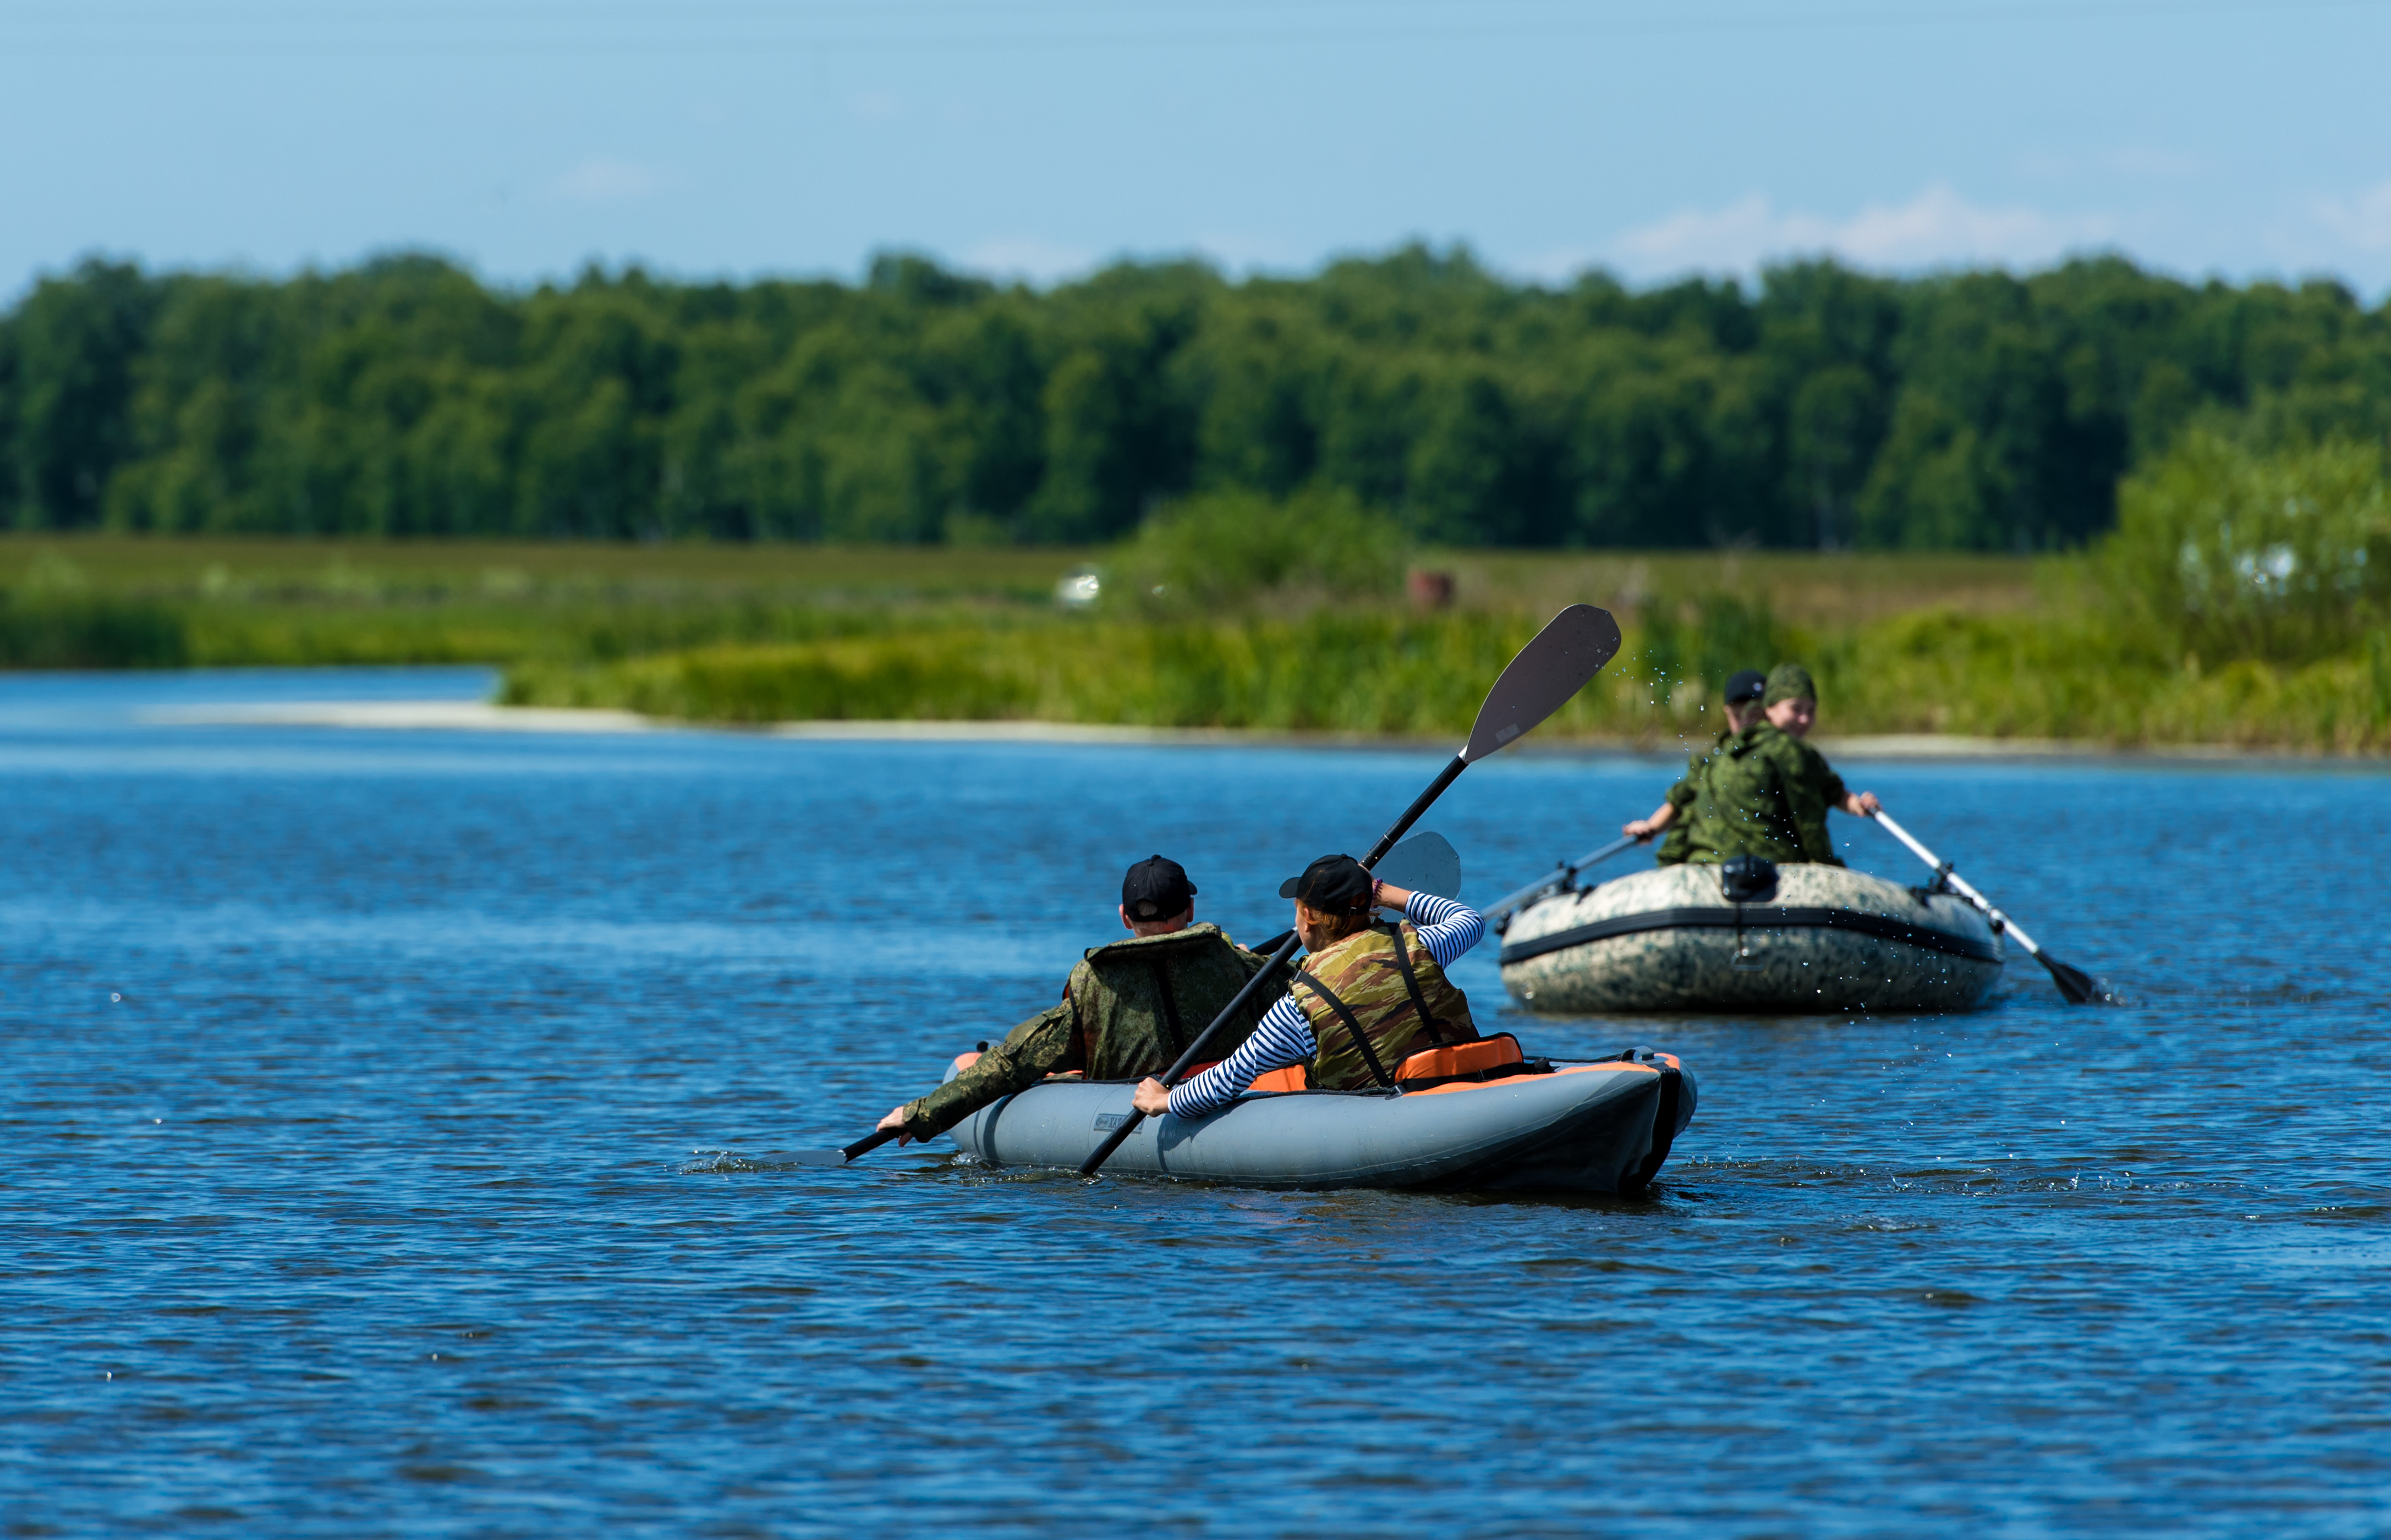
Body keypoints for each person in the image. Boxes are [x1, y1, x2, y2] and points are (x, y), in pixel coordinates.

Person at [876, 855, 1274, 1143]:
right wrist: (1250, 961)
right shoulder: (1238, 966)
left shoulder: (1094, 983)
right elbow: (1310, 993)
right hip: (1227, 1098)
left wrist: (920, 1114)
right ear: (1190, 908)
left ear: (1124, 917)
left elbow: (1013, 1062)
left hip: (1133, 1103)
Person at [1131, 854, 1485, 1121]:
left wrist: (1163, 1101)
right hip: (1462, 1089)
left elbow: (1230, 1077)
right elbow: (1470, 921)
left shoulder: (1300, 1004)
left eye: (1297, 910)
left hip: (1390, 1116)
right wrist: (1383, 892)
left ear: (1309, 918)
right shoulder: (1420, 945)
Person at [1677, 662, 1881, 867]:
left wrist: (1858, 805)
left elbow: (1831, 791)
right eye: (1795, 709)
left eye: (1811, 711)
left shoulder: (1725, 749)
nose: (1804, 719)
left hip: (1708, 863)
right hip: (1766, 866)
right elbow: (1809, 821)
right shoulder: (1786, 750)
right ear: (1769, 710)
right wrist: (1827, 864)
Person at [1622, 668, 1769, 865]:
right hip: (1713, 859)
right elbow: (1680, 801)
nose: (1748, 722)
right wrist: (1650, 828)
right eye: (1738, 715)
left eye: (1755, 715)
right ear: (1727, 713)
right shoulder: (1711, 758)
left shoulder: (1780, 754)